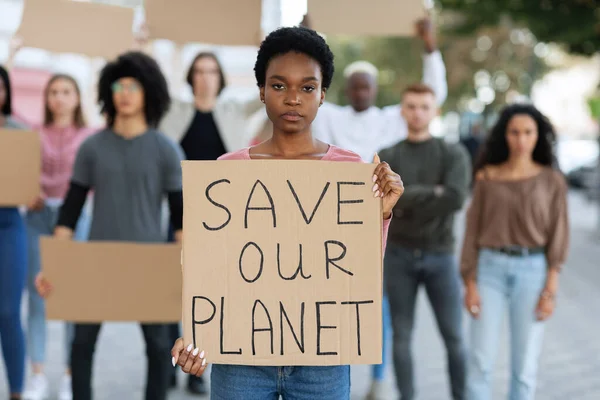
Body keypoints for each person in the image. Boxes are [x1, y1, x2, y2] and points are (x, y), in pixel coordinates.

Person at [170, 26, 404, 399]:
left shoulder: (350, 169)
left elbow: (355, 267)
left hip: (321, 358)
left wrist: (382, 215)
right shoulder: (227, 169)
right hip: (241, 357)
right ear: (261, 91)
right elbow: (208, 265)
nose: (293, 98)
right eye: (279, 86)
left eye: (307, 88)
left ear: (323, 95)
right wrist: (195, 334)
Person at [35, 51, 184, 400]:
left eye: (133, 85)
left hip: (150, 264)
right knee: (82, 343)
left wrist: (185, 269)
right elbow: (69, 212)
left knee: (158, 344)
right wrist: (54, 266)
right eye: (118, 85)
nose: (125, 92)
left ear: (148, 92)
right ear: (108, 91)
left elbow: (180, 218)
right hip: (98, 261)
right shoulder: (92, 147)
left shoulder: (166, 149)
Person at [461, 104, 569, 400]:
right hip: (488, 271)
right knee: (480, 363)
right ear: (504, 135)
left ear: (538, 136)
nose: (521, 139)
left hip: (533, 272)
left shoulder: (552, 180)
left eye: (528, 132)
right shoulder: (487, 178)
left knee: (524, 369)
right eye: (514, 132)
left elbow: (559, 232)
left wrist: (551, 286)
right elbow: (471, 232)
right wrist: (469, 281)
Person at [379, 83, 470, 400]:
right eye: (411, 106)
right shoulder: (389, 156)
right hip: (398, 255)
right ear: (402, 110)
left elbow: (456, 198)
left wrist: (405, 195)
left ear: (435, 111)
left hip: (440, 254)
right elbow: (381, 202)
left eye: (424, 106)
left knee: (454, 337)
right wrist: (433, 192)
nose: (417, 113)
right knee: (401, 337)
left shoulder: (452, 153)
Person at [20, 74, 96, 400]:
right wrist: (25, 190)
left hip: (76, 219)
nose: (59, 98)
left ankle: (68, 375)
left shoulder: (91, 136)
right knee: (38, 296)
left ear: (78, 98)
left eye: (66, 91)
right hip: (38, 217)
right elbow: (15, 167)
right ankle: (37, 374)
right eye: (54, 92)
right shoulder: (33, 133)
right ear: (46, 98)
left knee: (72, 300)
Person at [306, 16, 448, 163]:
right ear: (346, 90)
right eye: (355, 87)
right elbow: (306, 90)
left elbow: (432, 94)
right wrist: (308, 41)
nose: (360, 93)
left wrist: (430, 46)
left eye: (366, 87)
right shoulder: (328, 116)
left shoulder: (390, 119)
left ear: (375, 90)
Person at [0, 64, 28, 400]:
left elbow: (30, 182)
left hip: (10, 224)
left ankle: (17, 391)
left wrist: (32, 196)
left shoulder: (20, 133)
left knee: (8, 311)